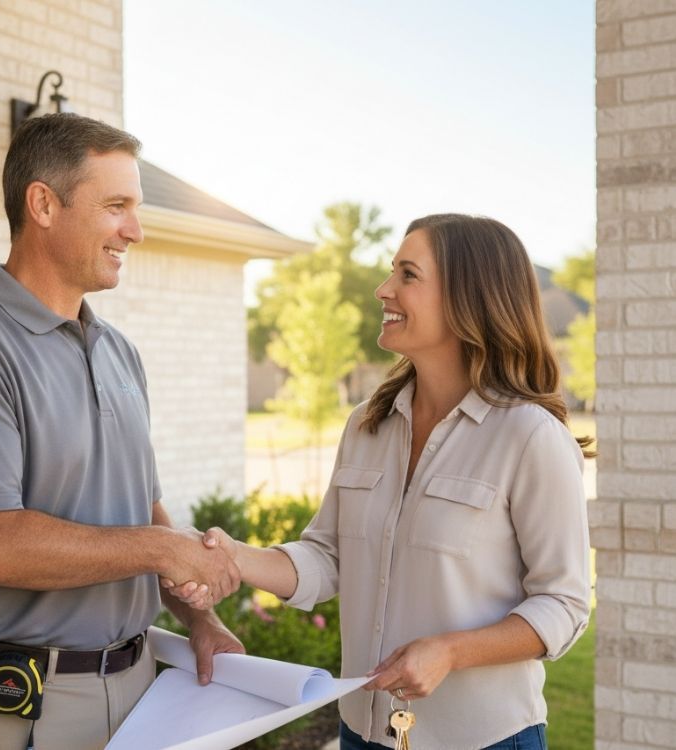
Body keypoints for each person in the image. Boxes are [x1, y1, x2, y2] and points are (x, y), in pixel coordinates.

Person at [167, 214, 592, 749]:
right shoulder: (368, 422)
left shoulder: (529, 436)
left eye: (407, 275)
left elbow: (564, 604)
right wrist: (229, 554)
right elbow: (328, 557)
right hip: (361, 731)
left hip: (482, 739)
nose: (383, 289)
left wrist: (451, 651)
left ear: (468, 298)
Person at [0, 113, 242, 750]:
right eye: (116, 206)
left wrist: (197, 615)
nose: (135, 231)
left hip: (139, 692)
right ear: (43, 204)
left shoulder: (119, 352)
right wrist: (164, 551)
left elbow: (143, 508)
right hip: (16, 705)